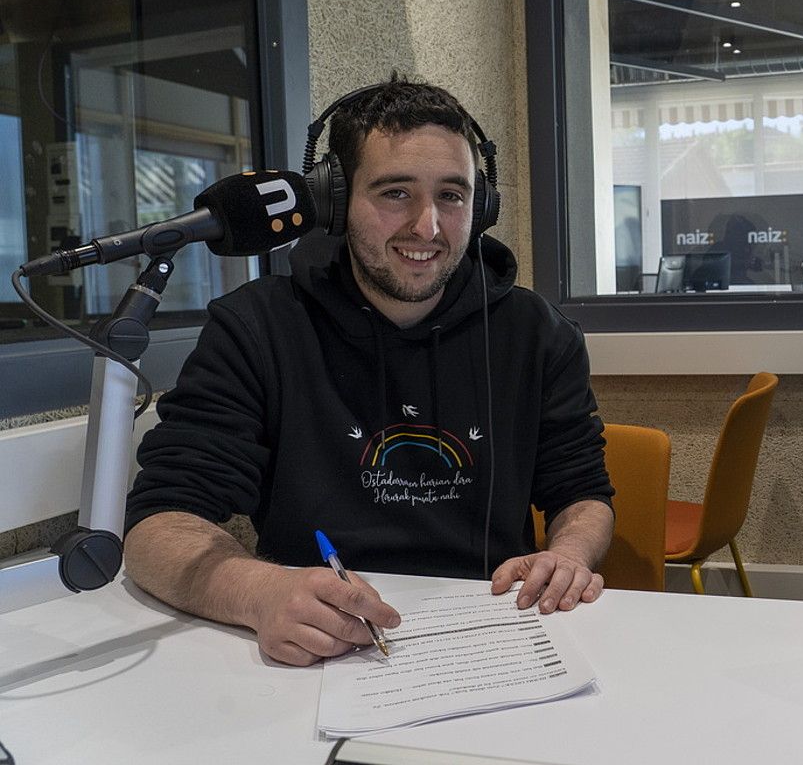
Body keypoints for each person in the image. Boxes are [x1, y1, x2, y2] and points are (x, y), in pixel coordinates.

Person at [124, 78, 615, 666]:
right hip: (312, 646)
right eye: (395, 193)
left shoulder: (536, 333)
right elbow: (158, 525)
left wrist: (568, 553)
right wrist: (260, 592)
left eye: (452, 196)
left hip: (494, 635)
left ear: (479, 206)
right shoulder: (256, 328)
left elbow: (582, 494)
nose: (427, 227)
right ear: (333, 202)